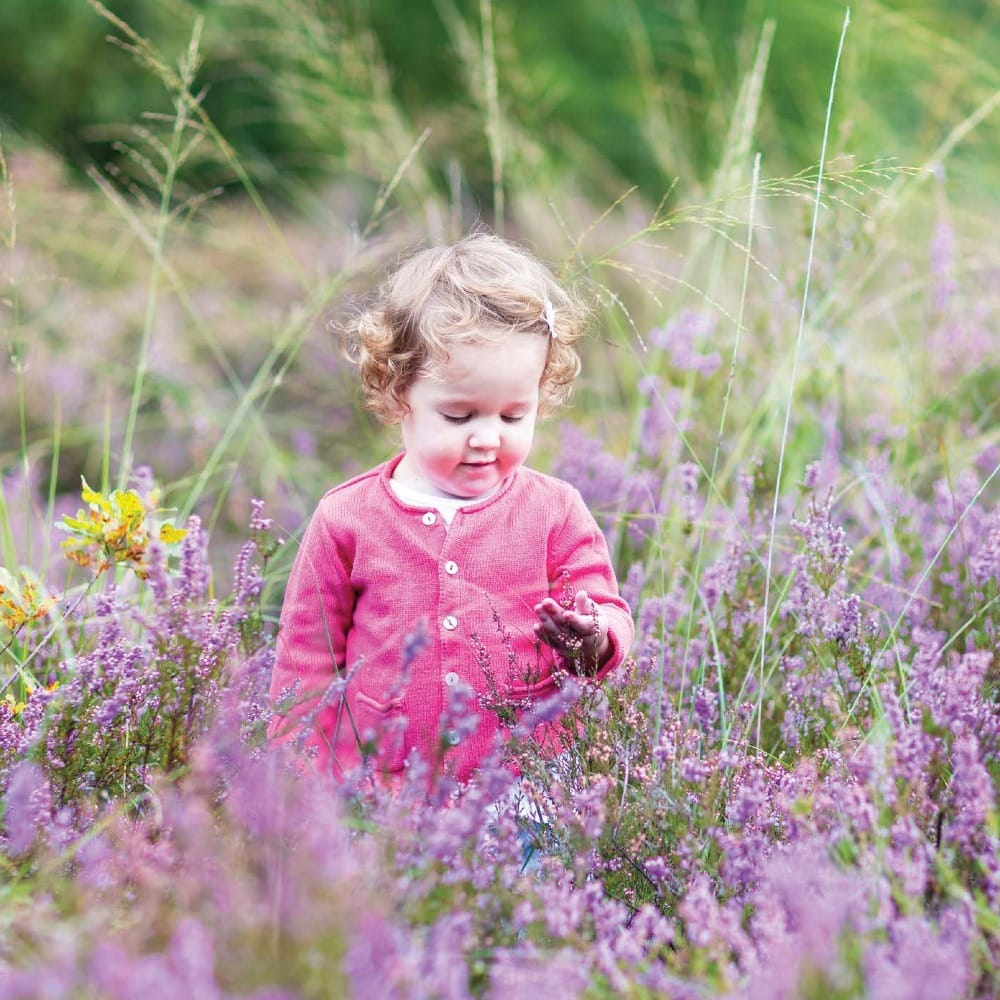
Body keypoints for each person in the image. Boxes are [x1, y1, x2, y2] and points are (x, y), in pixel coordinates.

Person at [268, 231, 634, 787]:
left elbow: (606, 609)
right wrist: (309, 784)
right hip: (384, 791)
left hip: (524, 789)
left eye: (514, 416)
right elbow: (307, 660)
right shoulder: (347, 519)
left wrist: (594, 636)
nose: (487, 438)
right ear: (398, 394)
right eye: (460, 417)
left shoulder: (555, 510)